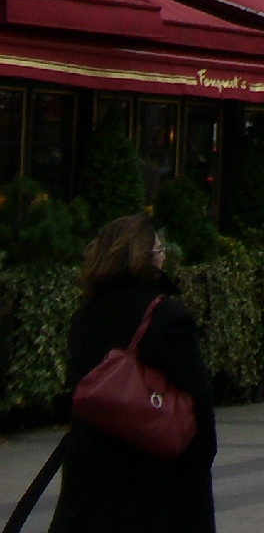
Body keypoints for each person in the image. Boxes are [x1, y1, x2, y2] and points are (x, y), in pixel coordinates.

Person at [52, 213, 216, 532]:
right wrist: (196, 473)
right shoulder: (168, 318)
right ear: (146, 259)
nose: (164, 255)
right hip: (155, 482)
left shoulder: (85, 317)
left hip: (92, 480)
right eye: (159, 249)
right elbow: (199, 402)